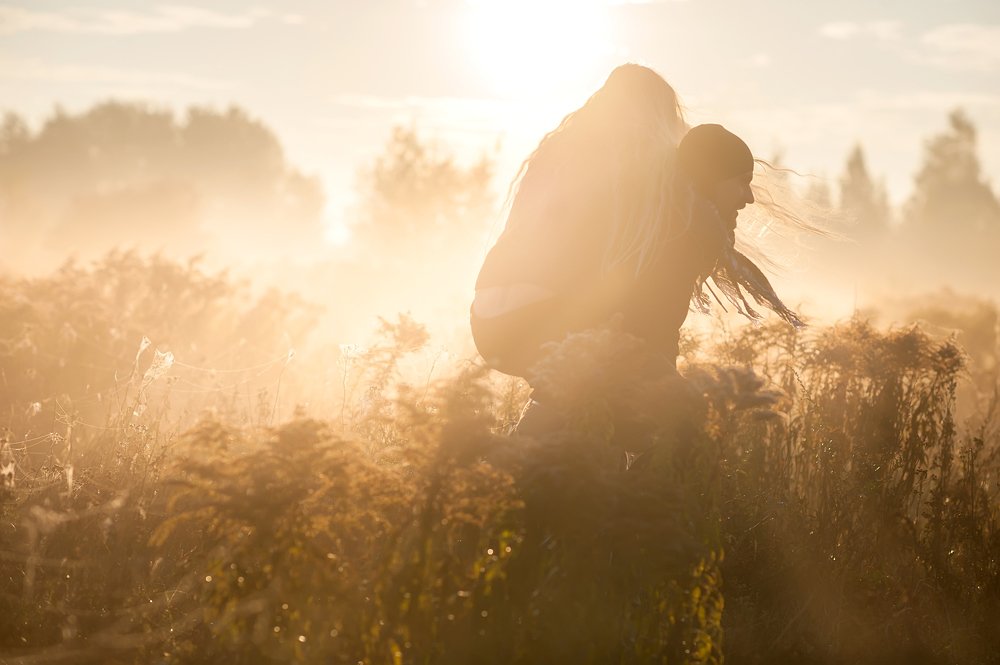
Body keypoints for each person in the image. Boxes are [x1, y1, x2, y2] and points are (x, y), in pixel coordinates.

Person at [470, 65, 801, 430]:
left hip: (490, 315)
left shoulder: (561, 153)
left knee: (582, 400)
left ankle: (530, 465)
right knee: (657, 410)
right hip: (548, 315)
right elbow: (656, 315)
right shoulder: (661, 192)